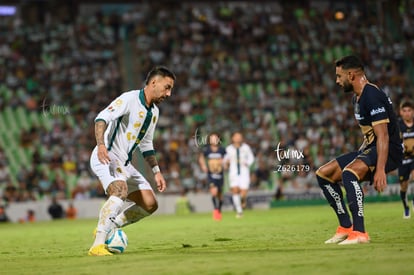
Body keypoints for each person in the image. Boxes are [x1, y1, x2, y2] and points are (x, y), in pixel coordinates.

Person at [88, 66, 176, 256]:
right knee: (120, 191)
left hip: (125, 163)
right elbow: (101, 118)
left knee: (150, 204)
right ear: (154, 82)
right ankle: (98, 244)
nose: (168, 94)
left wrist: (156, 171)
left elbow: (146, 143)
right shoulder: (129, 99)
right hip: (107, 155)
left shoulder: (154, 112)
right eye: (167, 87)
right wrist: (101, 144)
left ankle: (111, 225)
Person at [316, 55, 403, 245]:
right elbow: (369, 136)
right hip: (372, 147)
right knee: (324, 174)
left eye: (339, 77)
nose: (337, 81)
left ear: (352, 75)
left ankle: (360, 233)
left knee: (348, 173)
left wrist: (379, 169)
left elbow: (384, 136)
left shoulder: (371, 96)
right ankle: (346, 227)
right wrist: (359, 161)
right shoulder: (357, 97)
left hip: (390, 150)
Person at [224, 132, 255, 218]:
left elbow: (251, 158)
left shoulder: (246, 147)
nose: (238, 138)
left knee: (243, 193)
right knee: (235, 190)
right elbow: (225, 160)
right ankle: (239, 211)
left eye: (239, 137)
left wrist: (247, 163)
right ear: (232, 138)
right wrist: (226, 163)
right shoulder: (229, 149)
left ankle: (243, 201)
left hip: (244, 173)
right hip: (233, 173)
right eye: (236, 137)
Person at [198, 133, 227, 221]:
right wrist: (203, 166)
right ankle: (216, 210)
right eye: (212, 138)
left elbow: (227, 159)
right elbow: (201, 158)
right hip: (211, 175)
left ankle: (219, 209)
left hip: (220, 174)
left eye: (215, 138)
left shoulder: (222, 150)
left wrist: (225, 164)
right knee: (214, 192)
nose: (213, 140)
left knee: (220, 195)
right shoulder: (207, 150)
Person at [397, 99, 414, 219]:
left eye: (409, 110)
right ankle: (406, 207)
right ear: (401, 112)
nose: (407, 113)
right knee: (404, 186)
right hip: (402, 160)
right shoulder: (398, 125)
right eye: (405, 111)